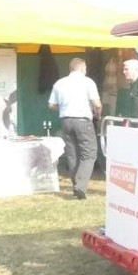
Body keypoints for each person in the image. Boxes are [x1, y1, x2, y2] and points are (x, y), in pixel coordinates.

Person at [48, 58, 102, 200]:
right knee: (89, 153)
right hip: (83, 120)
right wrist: (98, 115)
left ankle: (76, 187)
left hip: (66, 120)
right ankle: (80, 186)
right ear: (83, 68)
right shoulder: (88, 82)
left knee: (72, 155)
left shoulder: (60, 83)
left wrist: (65, 107)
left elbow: (51, 105)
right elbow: (97, 104)